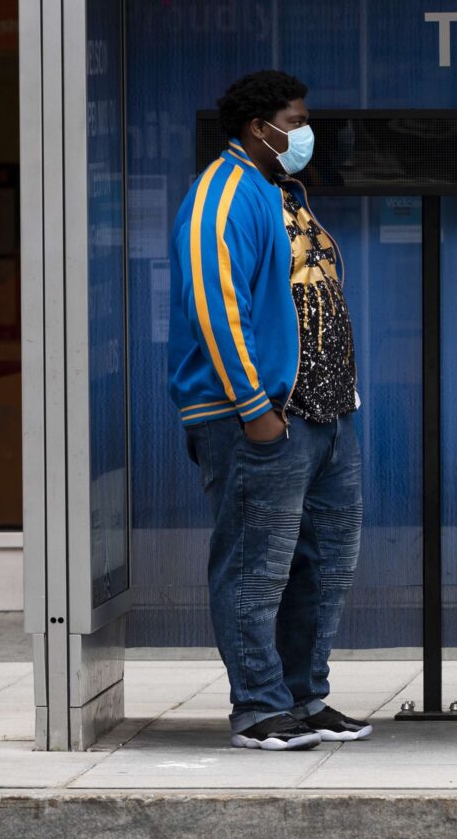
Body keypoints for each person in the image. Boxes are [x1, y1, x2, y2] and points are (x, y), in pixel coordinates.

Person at [169, 70, 371, 751]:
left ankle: (303, 698)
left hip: (324, 416)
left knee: (323, 566)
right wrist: (255, 409)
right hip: (258, 421)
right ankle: (259, 708)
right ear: (261, 127)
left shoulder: (283, 194)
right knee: (257, 567)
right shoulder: (221, 196)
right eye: (297, 118)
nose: (304, 131)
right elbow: (216, 305)